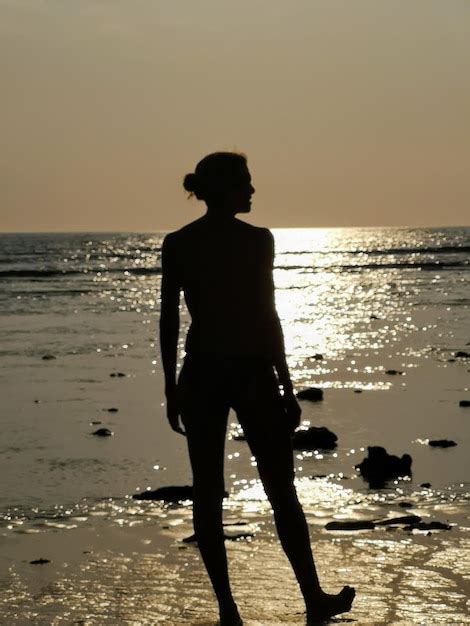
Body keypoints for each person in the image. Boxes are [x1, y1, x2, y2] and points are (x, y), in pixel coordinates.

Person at [159, 152, 355, 625]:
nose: (252, 191)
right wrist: (285, 383)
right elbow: (267, 316)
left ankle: (232, 610)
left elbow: (169, 321)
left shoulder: (180, 242)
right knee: (278, 490)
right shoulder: (256, 241)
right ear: (224, 188)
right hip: (247, 372)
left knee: (210, 493)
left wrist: (171, 387)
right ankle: (308, 600)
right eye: (245, 183)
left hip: (203, 373)